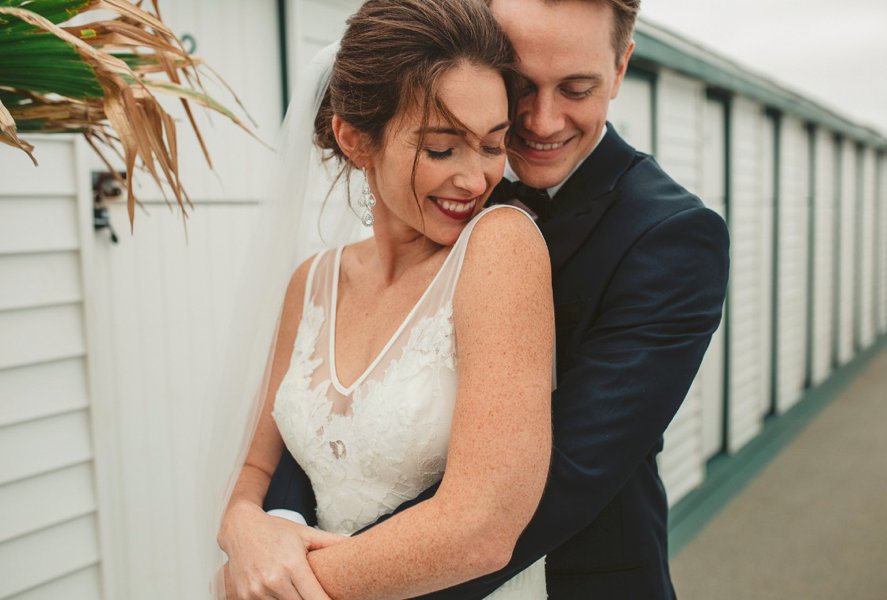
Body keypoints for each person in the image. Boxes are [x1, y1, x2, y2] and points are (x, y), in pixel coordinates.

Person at [260, 0, 730, 598]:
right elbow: (334, 407)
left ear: (620, 68)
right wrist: (274, 526)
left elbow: (564, 473)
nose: (539, 120)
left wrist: (318, 582)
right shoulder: (437, 184)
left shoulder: (672, 237)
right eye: (519, 85)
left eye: (577, 88)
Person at [215, 0, 555, 598]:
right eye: (442, 148)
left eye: (492, 145)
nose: (476, 180)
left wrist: (278, 588)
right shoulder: (312, 281)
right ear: (355, 140)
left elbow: (482, 531)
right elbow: (255, 470)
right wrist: (243, 529)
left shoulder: (500, 247)